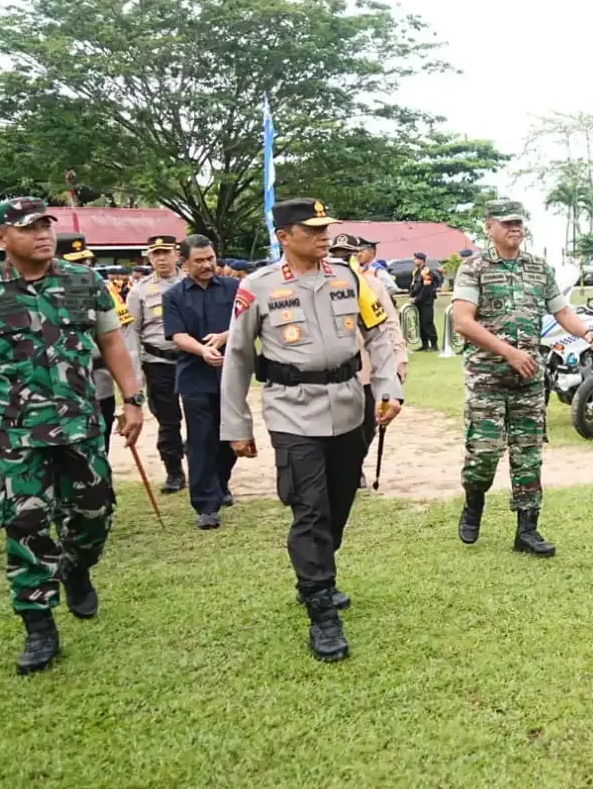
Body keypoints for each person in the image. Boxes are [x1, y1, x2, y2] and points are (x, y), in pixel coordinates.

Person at [0, 197, 145, 674]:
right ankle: (38, 624)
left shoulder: (84, 281)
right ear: (0, 239)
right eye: (29, 227)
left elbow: (111, 342)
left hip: (80, 426)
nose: (43, 234)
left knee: (94, 514)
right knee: (25, 524)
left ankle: (76, 566)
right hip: (17, 435)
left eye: (46, 225)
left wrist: (133, 399)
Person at [220, 198, 402, 662]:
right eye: (312, 229)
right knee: (310, 508)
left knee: (338, 502)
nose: (324, 236)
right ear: (284, 237)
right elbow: (238, 357)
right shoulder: (257, 287)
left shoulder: (348, 277)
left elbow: (379, 333)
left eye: (326, 228)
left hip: (349, 406)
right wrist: (236, 425)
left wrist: (388, 386)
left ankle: (317, 572)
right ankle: (322, 610)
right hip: (292, 411)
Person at [452, 200, 593, 556]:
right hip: (487, 379)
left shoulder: (538, 268)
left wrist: (587, 333)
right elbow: (463, 322)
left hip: (529, 380)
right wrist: (509, 352)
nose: (515, 229)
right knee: (483, 454)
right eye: (507, 223)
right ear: (489, 227)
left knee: (528, 456)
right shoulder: (474, 268)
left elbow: (562, 311)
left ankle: (527, 530)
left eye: (519, 223)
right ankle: (473, 503)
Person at [163, 235, 241, 530]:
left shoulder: (234, 287)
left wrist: (226, 336)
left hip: (231, 374)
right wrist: (202, 350)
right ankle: (206, 505)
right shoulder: (173, 296)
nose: (207, 265)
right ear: (184, 262)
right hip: (194, 375)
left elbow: (246, 321)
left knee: (229, 437)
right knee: (200, 439)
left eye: (210, 258)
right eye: (200, 261)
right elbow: (177, 335)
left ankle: (220, 483)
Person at [330, 232, 409, 486]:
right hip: (335, 372)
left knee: (367, 425)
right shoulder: (323, 286)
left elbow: (390, 324)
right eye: (336, 254)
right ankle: (342, 468)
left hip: (368, 368)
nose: (342, 259)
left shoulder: (371, 285)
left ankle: (355, 464)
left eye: (347, 255)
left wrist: (400, 358)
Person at [57, 234, 134, 453]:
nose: (84, 267)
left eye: (86, 261)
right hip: (61, 386)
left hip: (99, 378)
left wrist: (130, 392)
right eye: (76, 262)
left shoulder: (101, 289)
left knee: (100, 438)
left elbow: (120, 335)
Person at [124, 234, 187, 493]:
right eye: (155, 254)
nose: (161, 258)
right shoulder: (139, 291)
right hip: (158, 363)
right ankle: (174, 471)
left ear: (176, 254)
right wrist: (135, 374)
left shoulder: (190, 282)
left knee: (202, 417)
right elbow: (131, 333)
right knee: (168, 421)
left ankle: (206, 467)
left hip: (192, 361)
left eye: (166, 252)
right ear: (149, 257)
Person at [410, 252, 443, 351]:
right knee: (420, 324)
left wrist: (417, 298)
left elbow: (426, 289)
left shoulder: (426, 272)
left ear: (422, 260)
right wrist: (411, 296)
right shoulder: (416, 272)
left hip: (426, 301)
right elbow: (414, 286)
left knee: (427, 322)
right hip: (418, 302)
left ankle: (434, 345)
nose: (414, 260)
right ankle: (424, 344)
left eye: (416, 259)